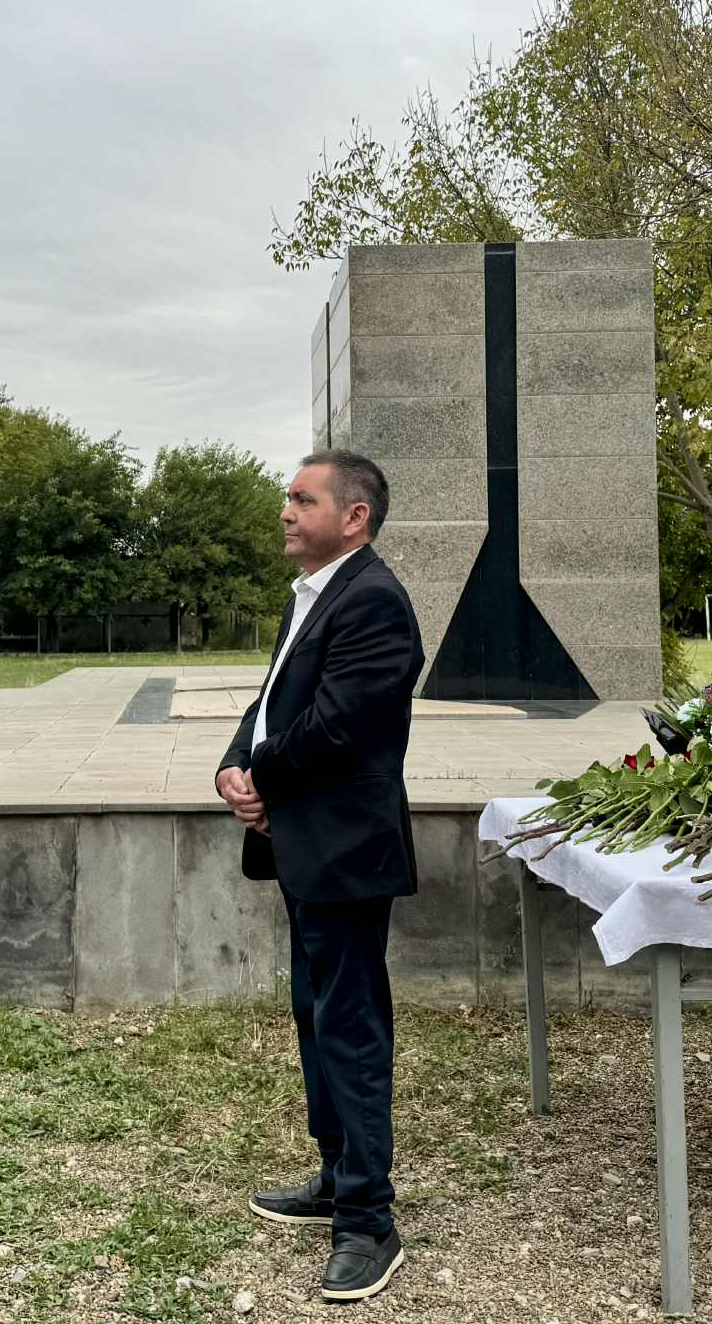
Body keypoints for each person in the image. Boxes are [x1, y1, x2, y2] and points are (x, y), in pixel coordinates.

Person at [215, 450, 423, 1305]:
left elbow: (338, 728)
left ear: (356, 516)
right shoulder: (316, 595)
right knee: (317, 1014)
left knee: (350, 1027)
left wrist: (262, 776)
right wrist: (234, 764)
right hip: (306, 847)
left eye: (304, 499)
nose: (286, 512)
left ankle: (370, 1220)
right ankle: (339, 1179)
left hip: (344, 851)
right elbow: (273, 703)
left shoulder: (375, 599)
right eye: (287, 498)